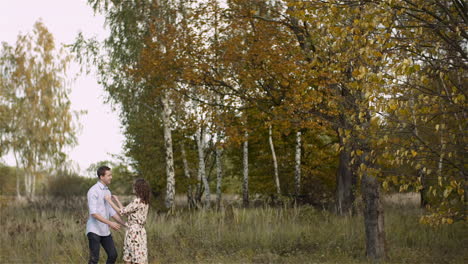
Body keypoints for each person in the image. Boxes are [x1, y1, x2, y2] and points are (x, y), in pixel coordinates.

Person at [86, 166, 126, 264]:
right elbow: (94, 213)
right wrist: (110, 223)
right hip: (94, 230)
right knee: (94, 259)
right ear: (101, 177)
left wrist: (124, 224)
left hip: (105, 231)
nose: (111, 177)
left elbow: (111, 211)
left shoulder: (107, 191)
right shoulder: (93, 191)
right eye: (109, 175)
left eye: (111, 175)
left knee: (113, 255)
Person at [105, 178, 150, 264]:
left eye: (134, 186)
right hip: (139, 231)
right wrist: (117, 200)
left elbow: (121, 212)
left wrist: (109, 201)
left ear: (138, 188)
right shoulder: (144, 201)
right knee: (135, 256)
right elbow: (126, 211)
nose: (133, 187)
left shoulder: (137, 201)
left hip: (134, 232)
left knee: (133, 258)